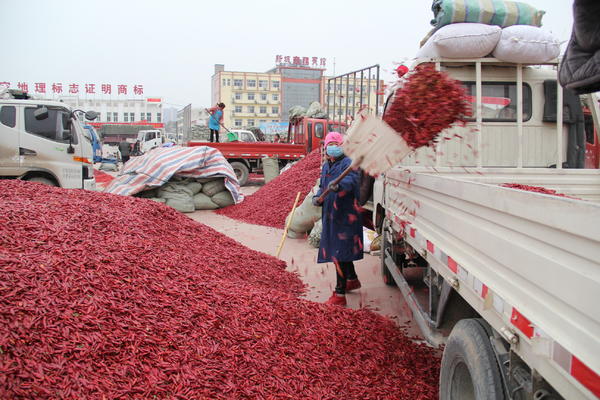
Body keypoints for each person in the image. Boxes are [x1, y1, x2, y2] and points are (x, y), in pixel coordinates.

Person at [313, 131, 363, 306]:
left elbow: (352, 181)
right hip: (330, 214)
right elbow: (322, 186)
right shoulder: (326, 166)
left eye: (336, 145)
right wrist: (317, 197)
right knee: (341, 249)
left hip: (345, 215)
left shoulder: (348, 163)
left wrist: (339, 185)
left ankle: (340, 294)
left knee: (338, 252)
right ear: (326, 148)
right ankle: (352, 279)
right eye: (330, 145)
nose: (333, 149)